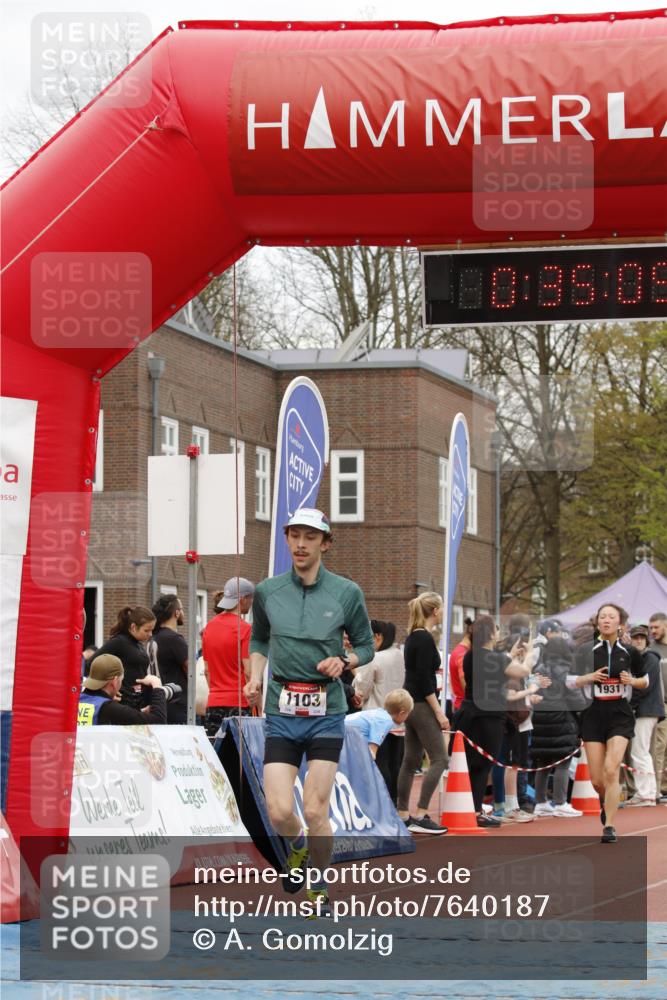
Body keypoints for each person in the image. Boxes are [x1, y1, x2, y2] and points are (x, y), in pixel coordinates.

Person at [243, 508, 374, 915]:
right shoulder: (267, 591)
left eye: (310, 537)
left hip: (326, 711)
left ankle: (319, 883)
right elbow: (260, 639)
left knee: (316, 809)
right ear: (287, 540)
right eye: (294, 536)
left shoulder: (347, 592)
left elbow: (367, 646)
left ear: (325, 543)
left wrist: (346, 661)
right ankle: (297, 846)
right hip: (281, 711)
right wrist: (255, 677)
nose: (300, 544)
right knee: (281, 811)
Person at [572, 603, 648, 843]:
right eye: (602, 616)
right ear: (597, 623)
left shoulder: (630, 652)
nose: (606, 620)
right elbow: (568, 680)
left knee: (611, 769)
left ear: (619, 623)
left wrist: (632, 681)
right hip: (593, 713)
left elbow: (645, 681)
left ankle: (610, 826)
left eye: (611, 617)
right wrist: (589, 678)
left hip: (619, 712)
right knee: (597, 780)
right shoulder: (585, 650)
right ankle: (607, 801)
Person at [457, 615, 532, 828]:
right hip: (488, 717)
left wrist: (510, 655)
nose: (499, 633)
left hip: (468, 713)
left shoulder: (471, 655)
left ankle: (469, 807)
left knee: (471, 764)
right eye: (496, 630)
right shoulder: (495, 658)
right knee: (483, 765)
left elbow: (495, 666)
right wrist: (531, 652)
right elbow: (523, 671)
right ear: (490, 633)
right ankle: (476, 810)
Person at [396, 592, 450, 835]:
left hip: (410, 704)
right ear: (435, 611)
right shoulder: (425, 639)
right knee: (440, 759)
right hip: (422, 704)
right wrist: (439, 712)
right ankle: (420, 813)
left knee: (410, 760)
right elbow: (425, 681)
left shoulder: (412, 638)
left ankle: (403, 814)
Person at [353, 620, 406, 803]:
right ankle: (394, 804)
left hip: (375, 719)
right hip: (397, 721)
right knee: (395, 765)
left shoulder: (373, 659)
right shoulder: (399, 655)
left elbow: (362, 689)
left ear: (377, 636)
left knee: (379, 765)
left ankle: (380, 804)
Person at [532, 637, 584, 817]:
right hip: (562, 717)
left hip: (540, 717)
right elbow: (576, 698)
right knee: (563, 761)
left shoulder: (538, 669)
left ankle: (540, 802)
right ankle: (561, 802)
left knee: (543, 761)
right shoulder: (566, 670)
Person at [201, 577, 255, 739]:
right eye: (251, 598)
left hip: (214, 703)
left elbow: (207, 670)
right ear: (243, 599)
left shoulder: (209, 628)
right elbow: (249, 672)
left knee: (217, 757)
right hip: (239, 703)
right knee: (240, 760)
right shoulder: (245, 629)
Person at [625, 625, 664, 807]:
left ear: (647, 640)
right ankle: (647, 793)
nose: (638, 640)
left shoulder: (650, 658)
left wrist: (630, 706)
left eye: (641, 637)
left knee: (640, 751)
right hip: (646, 709)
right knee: (641, 751)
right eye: (635, 637)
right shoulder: (641, 658)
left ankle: (646, 794)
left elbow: (644, 687)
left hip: (646, 710)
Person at [90, 606, 156, 710]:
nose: (150, 634)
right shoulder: (119, 642)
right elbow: (92, 663)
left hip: (138, 701)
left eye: (152, 630)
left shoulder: (138, 644)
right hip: (124, 703)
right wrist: (107, 690)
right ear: (133, 627)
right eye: (147, 630)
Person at [78, 654, 167, 725]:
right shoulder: (108, 708)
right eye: (121, 680)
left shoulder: (76, 701)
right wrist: (157, 686)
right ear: (114, 681)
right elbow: (158, 721)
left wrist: (140, 712)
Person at [344, 689, 414, 760]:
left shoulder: (379, 713)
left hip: (339, 730)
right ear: (401, 713)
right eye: (408, 713)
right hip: (342, 736)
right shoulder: (386, 721)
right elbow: (371, 752)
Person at [151, 594, 187, 723]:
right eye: (182, 609)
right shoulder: (174, 639)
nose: (183, 613)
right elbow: (190, 670)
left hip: (159, 701)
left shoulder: (154, 637)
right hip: (178, 702)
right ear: (176, 613)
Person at [648, 611, 667, 803]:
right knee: (660, 746)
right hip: (662, 704)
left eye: (656, 627)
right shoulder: (651, 650)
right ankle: (659, 788)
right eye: (651, 628)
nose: (652, 631)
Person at [448, 617, 473, 712]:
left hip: (462, 705)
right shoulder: (462, 654)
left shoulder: (459, 651)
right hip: (465, 708)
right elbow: (466, 686)